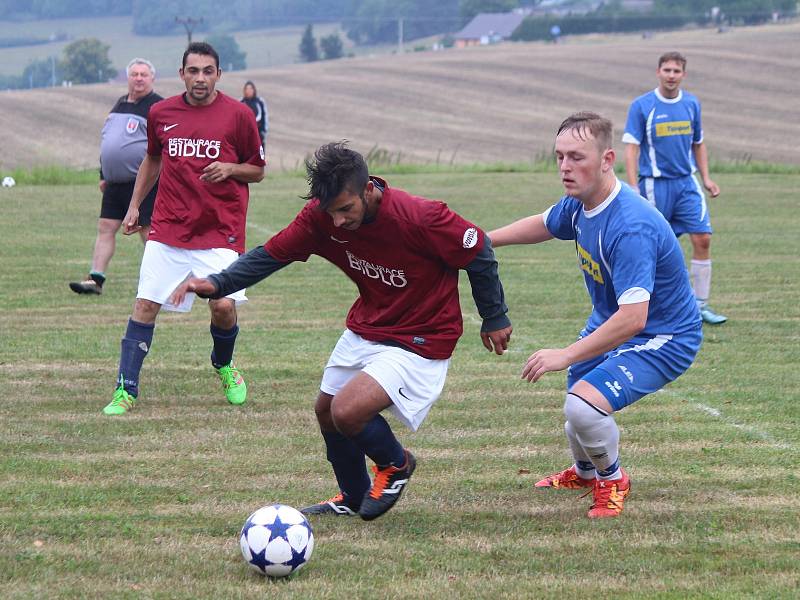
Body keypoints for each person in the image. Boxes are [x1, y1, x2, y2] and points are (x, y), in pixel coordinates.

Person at [170, 142, 513, 521]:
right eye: (330, 211)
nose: (337, 221)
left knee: (347, 411)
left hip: (422, 338)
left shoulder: (421, 216)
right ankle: (352, 496)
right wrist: (218, 283)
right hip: (369, 325)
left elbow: (478, 249)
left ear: (369, 189)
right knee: (327, 412)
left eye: (345, 209)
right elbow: (272, 254)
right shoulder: (321, 217)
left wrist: (494, 316)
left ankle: (396, 465)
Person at [489, 112, 702, 518]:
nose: (565, 168)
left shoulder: (630, 226)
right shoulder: (580, 203)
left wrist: (567, 353)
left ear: (607, 160)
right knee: (579, 402)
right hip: (613, 321)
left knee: (584, 406)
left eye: (577, 157)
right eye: (559, 157)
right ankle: (585, 472)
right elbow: (544, 224)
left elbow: (635, 319)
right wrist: (484, 242)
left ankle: (613, 480)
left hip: (663, 336)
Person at [102, 42, 266, 416]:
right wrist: (133, 207)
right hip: (168, 227)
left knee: (223, 306)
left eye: (208, 71)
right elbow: (152, 159)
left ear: (218, 75)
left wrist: (230, 169)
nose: (200, 78)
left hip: (219, 229)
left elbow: (257, 170)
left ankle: (224, 364)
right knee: (145, 304)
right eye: (193, 71)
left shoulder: (238, 116)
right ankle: (125, 390)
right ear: (182, 75)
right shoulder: (161, 113)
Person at [623, 51, 726, 324]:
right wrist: (633, 187)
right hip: (655, 186)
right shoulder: (642, 106)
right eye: (666, 70)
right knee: (652, 247)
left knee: (703, 238)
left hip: (686, 184)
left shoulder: (692, 104)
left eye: (676, 71)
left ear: (683, 75)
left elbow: (698, 143)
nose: (671, 75)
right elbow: (631, 148)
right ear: (658, 72)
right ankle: (648, 306)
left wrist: (706, 178)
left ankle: (700, 306)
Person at [69, 58, 163, 295]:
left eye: (144, 74)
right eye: (134, 74)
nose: (139, 78)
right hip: (114, 183)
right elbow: (109, 141)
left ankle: (161, 281)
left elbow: (164, 147)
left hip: (143, 182)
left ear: (152, 78)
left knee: (146, 230)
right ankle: (96, 279)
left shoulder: (158, 107)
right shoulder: (120, 104)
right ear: (128, 77)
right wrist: (104, 173)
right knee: (105, 227)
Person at [241, 80, 268, 147]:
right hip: (244, 137)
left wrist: (263, 132)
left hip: (258, 135)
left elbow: (265, 116)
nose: (248, 90)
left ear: (254, 90)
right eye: (246, 89)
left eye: (250, 88)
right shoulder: (240, 102)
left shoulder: (260, 102)